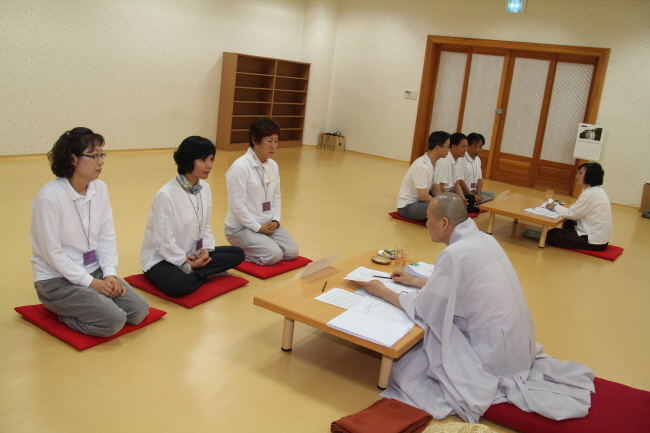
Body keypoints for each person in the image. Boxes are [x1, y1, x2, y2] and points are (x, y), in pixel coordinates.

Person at [357, 193, 595, 423]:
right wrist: (415, 281)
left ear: (444, 223)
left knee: (409, 366)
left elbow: (426, 309)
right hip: (517, 341)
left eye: (429, 218)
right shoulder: (483, 239)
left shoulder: (454, 254)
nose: (426, 223)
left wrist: (383, 291)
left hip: (491, 353)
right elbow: (460, 288)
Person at [30, 127, 149, 337]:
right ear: (73, 159)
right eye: (94, 156)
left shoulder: (99, 188)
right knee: (114, 321)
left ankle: (89, 302)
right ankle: (61, 312)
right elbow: (52, 254)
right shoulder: (49, 198)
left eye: (102, 155)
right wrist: (91, 284)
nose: (101, 162)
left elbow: (106, 236)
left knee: (139, 311)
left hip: (93, 270)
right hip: (56, 280)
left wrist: (110, 274)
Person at [141, 136, 245, 297]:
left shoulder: (205, 188)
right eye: (203, 160)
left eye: (211, 159)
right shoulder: (166, 195)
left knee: (237, 254)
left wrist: (204, 251)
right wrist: (185, 261)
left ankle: (194, 273)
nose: (209, 165)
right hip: (163, 258)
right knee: (178, 285)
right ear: (188, 161)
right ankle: (198, 272)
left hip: (193, 252)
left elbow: (205, 225)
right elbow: (162, 242)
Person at [224, 117, 299, 265]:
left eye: (276, 141)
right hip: (240, 228)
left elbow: (276, 196)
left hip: (267, 224)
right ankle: (238, 254)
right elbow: (236, 205)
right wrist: (257, 228)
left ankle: (260, 244)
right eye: (269, 141)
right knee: (274, 255)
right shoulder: (240, 167)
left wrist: (276, 220)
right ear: (255, 140)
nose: (273, 146)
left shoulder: (273, 165)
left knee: (292, 252)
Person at [544, 162, 612, 251]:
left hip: (593, 241)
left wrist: (555, 206)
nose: (577, 176)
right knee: (568, 222)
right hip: (600, 239)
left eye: (580, 173)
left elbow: (571, 214)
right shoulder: (598, 190)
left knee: (551, 234)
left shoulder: (589, 194)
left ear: (590, 176)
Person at [396, 131, 450, 221]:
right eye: (447, 146)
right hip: (407, 206)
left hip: (421, 203)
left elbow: (436, 190)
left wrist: (446, 202)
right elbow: (423, 196)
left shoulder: (437, 164)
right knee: (439, 208)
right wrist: (442, 204)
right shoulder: (421, 165)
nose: (449, 150)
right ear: (438, 147)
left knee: (448, 206)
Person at [434, 132, 478, 213]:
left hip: (451, 192)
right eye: (463, 147)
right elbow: (440, 187)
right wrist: (456, 198)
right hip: (442, 193)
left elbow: (457, 184)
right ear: (453, 146)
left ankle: (462, 208)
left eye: (466, 147)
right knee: (455, 203)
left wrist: (462, 198)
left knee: (470, 198)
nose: (465, 150)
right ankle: (462, 209)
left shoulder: (459, 160)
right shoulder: (444, 160)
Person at [457, 132, 495, 204]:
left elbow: (479, 179)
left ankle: (474, 201)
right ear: (468, 146)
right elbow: (460, 181)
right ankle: (472, 201)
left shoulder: (478, 159)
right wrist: (471, 195)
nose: (478, 150)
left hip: (473, 192)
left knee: (492, 194)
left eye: (480, 147)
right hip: (463, 192)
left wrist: (478, 194)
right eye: (475, 147)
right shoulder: (461, 159)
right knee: (465, 198)